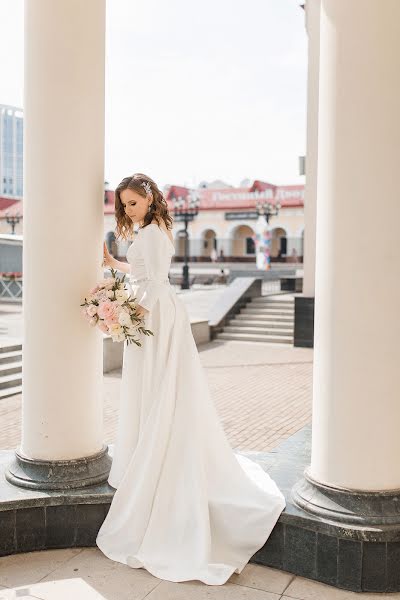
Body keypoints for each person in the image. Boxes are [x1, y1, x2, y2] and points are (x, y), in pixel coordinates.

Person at [96, 173, 286, 585]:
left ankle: (154, 452)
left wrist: (124, 314)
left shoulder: (151, 232)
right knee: (155, 386)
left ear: (148, 199)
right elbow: (147, 270)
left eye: (132, 203)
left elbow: (154, 281)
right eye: (123, 204)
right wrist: (116, 267)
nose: (128, 210)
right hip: (156, 310)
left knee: (157, 385)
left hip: (154, 315)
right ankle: (147, 445)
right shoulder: (154, 228)